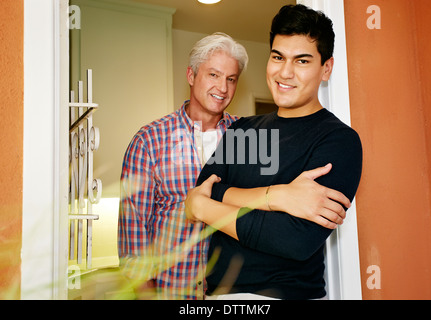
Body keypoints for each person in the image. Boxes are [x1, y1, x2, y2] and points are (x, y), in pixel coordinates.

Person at [185, 4, 363, 300]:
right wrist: (278, 196)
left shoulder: (338, 141)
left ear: (326, 68)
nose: (285, 72)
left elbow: (293, 239)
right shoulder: (244, 130)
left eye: (302, 61)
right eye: (278, 57)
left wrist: (205, 209)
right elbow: (203, 191)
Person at [118, 32, 248, 299]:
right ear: (191, 76)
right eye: (213, 75)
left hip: (234, 293)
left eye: (230, 79)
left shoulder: (247, 136)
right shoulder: (149, 140)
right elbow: (133, 239)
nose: (222, 88)